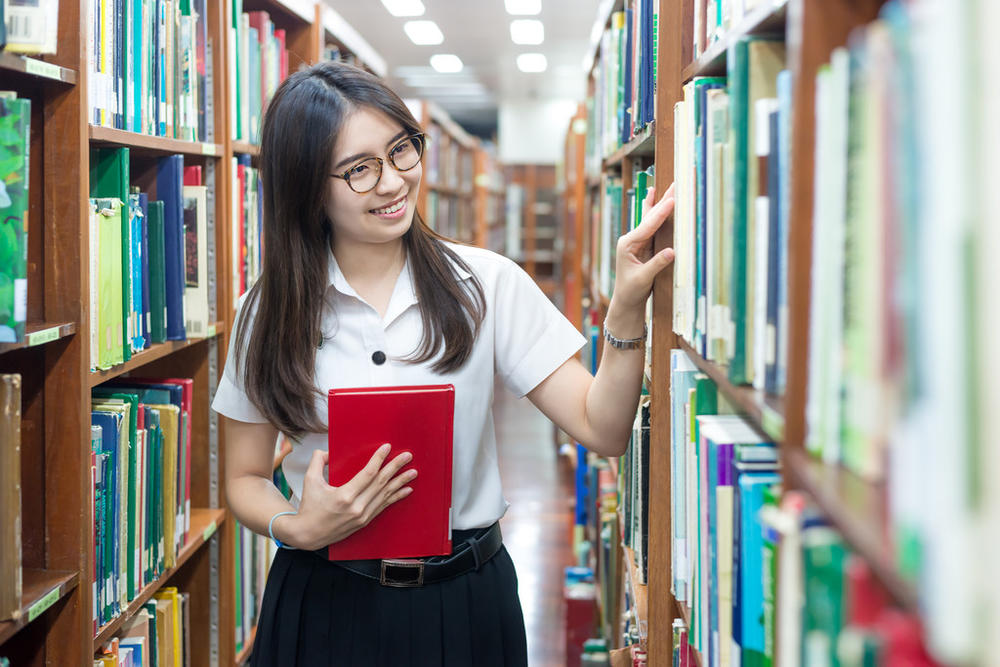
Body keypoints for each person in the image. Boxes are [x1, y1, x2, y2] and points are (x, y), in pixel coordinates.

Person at [212, 60, 675, 667]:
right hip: (322, 599)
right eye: (359, 169)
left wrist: (623, 314)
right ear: (307, 186)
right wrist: (293, 526)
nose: (393, 182)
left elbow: (604, 429)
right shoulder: (268, 310)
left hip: (466, 600)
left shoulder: (485, 283)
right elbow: (244, 478)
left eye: (401, 150)